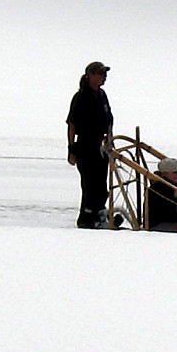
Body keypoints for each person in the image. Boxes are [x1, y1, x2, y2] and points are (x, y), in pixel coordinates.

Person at [65, 62, 114, 228]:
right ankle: (86, 218)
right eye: (100, 74)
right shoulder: (81, 97)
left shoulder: (102, 95)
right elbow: (72, 125)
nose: (104, 77)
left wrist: (110, 137)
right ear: (90, 75)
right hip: (86, 145)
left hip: (101, 146)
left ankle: (99, 215)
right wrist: (71, 149)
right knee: (90, 184)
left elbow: (109, 119)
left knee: (101, 185)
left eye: (104, 74)